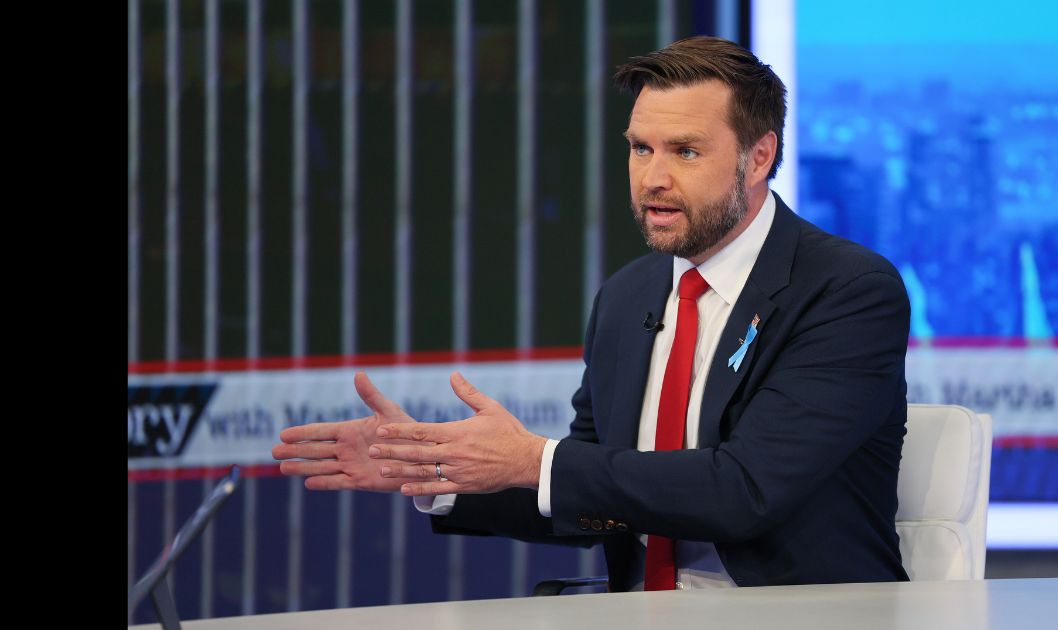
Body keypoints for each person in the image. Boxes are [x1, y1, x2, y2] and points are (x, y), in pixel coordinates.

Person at [273, 36, 911, 591]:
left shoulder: (846, 290)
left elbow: (745, 490)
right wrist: (438, 472)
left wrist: (535, 460)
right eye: (640, 149)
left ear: (760, 157)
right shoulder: (628, 297)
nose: (652, 179)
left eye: (685, 151)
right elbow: (592, 500)